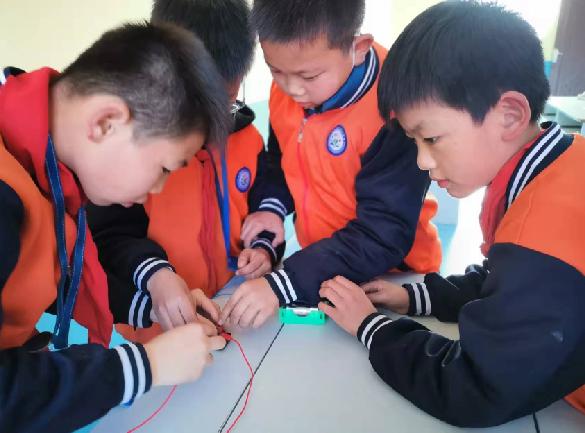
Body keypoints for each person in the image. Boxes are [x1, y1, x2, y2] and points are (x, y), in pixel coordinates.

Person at [318, 1, 585, 427]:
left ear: (509, 115)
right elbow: (503, 283)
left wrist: (369, 326)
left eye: (431, 138)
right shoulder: (562, 165)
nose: (422, 161)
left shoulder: (543, 234)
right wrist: (415, 298)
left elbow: (474, 388)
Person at [0, 22, 229, 432]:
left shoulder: (46, 170)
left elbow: (50, 281)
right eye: (164, 168)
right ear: (106, 122)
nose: (155, 190)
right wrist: (145, 365)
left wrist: (152, 305)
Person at [220, 0, 442, 329]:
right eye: (275, 70)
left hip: (395, 276)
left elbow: (383, 231)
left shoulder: (393, 109)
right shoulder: (289, 84)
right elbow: (281, 161)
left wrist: (284, 284)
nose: (292, 88)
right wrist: (272, 210)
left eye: (309, 75)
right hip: (322, 267)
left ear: (358, 48)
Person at [87, 0, 284, 343]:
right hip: (154, 330)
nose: (212, 122)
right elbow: (109, 238)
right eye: (199, 105)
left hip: (227, 308)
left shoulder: (248, 138)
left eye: (226, 102)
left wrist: (264, 247)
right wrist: (157, 276)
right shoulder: (128, 152)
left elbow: (265, 202)